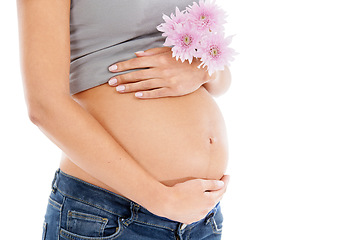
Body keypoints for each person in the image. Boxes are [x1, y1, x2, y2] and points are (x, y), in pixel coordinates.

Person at [17, 0, 232, 239]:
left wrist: (201, 70)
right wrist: (160, 199)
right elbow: (45, 105)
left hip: (201, 221)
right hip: (109, 218)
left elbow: (221, 77)